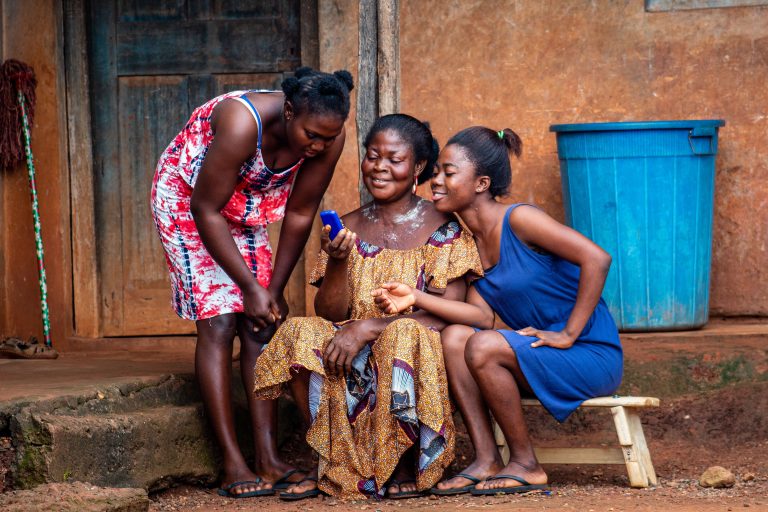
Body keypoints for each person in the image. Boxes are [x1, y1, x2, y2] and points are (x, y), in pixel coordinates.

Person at [372, 126, 623, 496]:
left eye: (448, 172)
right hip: (541, 353)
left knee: (484, 346)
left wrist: (569, 333)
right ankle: (486, 457)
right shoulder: (470, 245)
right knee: (457, 337)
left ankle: (526, 464)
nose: (435, 181)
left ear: (481, 183)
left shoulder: (519, 220)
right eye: (437, 172)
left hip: (588, 353)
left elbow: (597, 258)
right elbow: (479, 317)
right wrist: (416, 297)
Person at [251, 114, 483, 500]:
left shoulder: (444, 227)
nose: (380, 167)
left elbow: (447, 311)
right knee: (296, 332)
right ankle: (332, 461)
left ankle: (405, 461)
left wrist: (368, 328)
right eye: (373, 156)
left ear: (418, 167)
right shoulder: (346, 226)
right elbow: (328, 312)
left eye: (394, 159)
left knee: (404, 331)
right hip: (353, 351)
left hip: (418, 352)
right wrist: (339, 261)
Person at [150, 67, 354, 498]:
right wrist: (249, 286)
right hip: (190, 200)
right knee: (220, 322)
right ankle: (232, 463)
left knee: (261, 324)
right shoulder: (243, 123)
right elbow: (206, 208)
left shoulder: (328, 138)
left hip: (246, 203)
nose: (318, 146)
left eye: (328, 138)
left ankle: (268, 459)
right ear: (289, 110)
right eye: (311, 135)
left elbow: (299, 214)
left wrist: (272, 290)